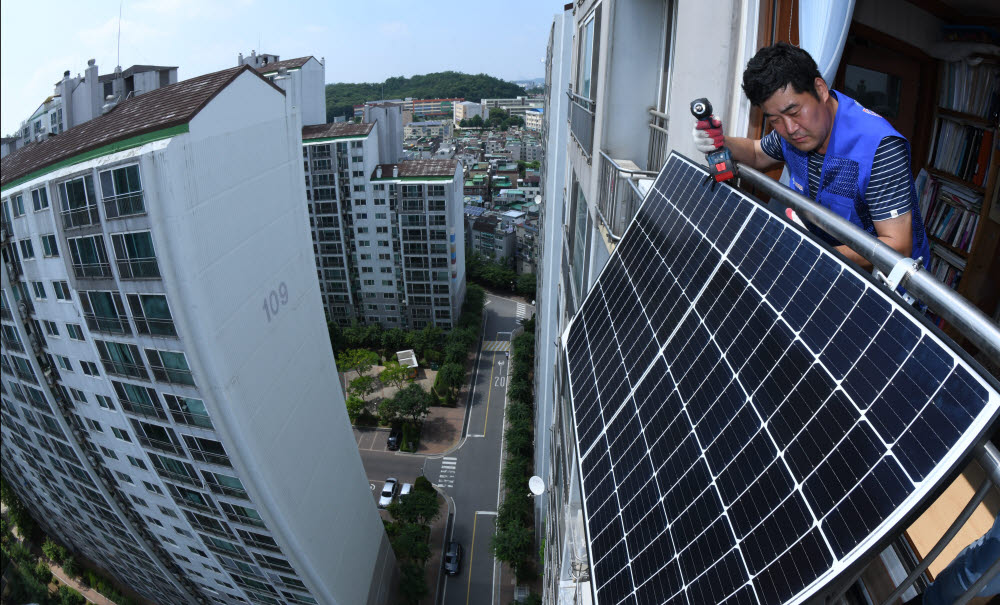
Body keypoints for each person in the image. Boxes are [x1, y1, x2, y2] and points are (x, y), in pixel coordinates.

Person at [692, 42, 930, 273]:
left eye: (794, 112)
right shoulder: (792, 131)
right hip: (826, 261)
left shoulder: (881, 148)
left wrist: (813, 254)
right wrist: (720, 140)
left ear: (820, 89)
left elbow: (897, 245)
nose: (789, 129)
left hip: (883, 282)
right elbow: (756, 153)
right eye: (774, 120)